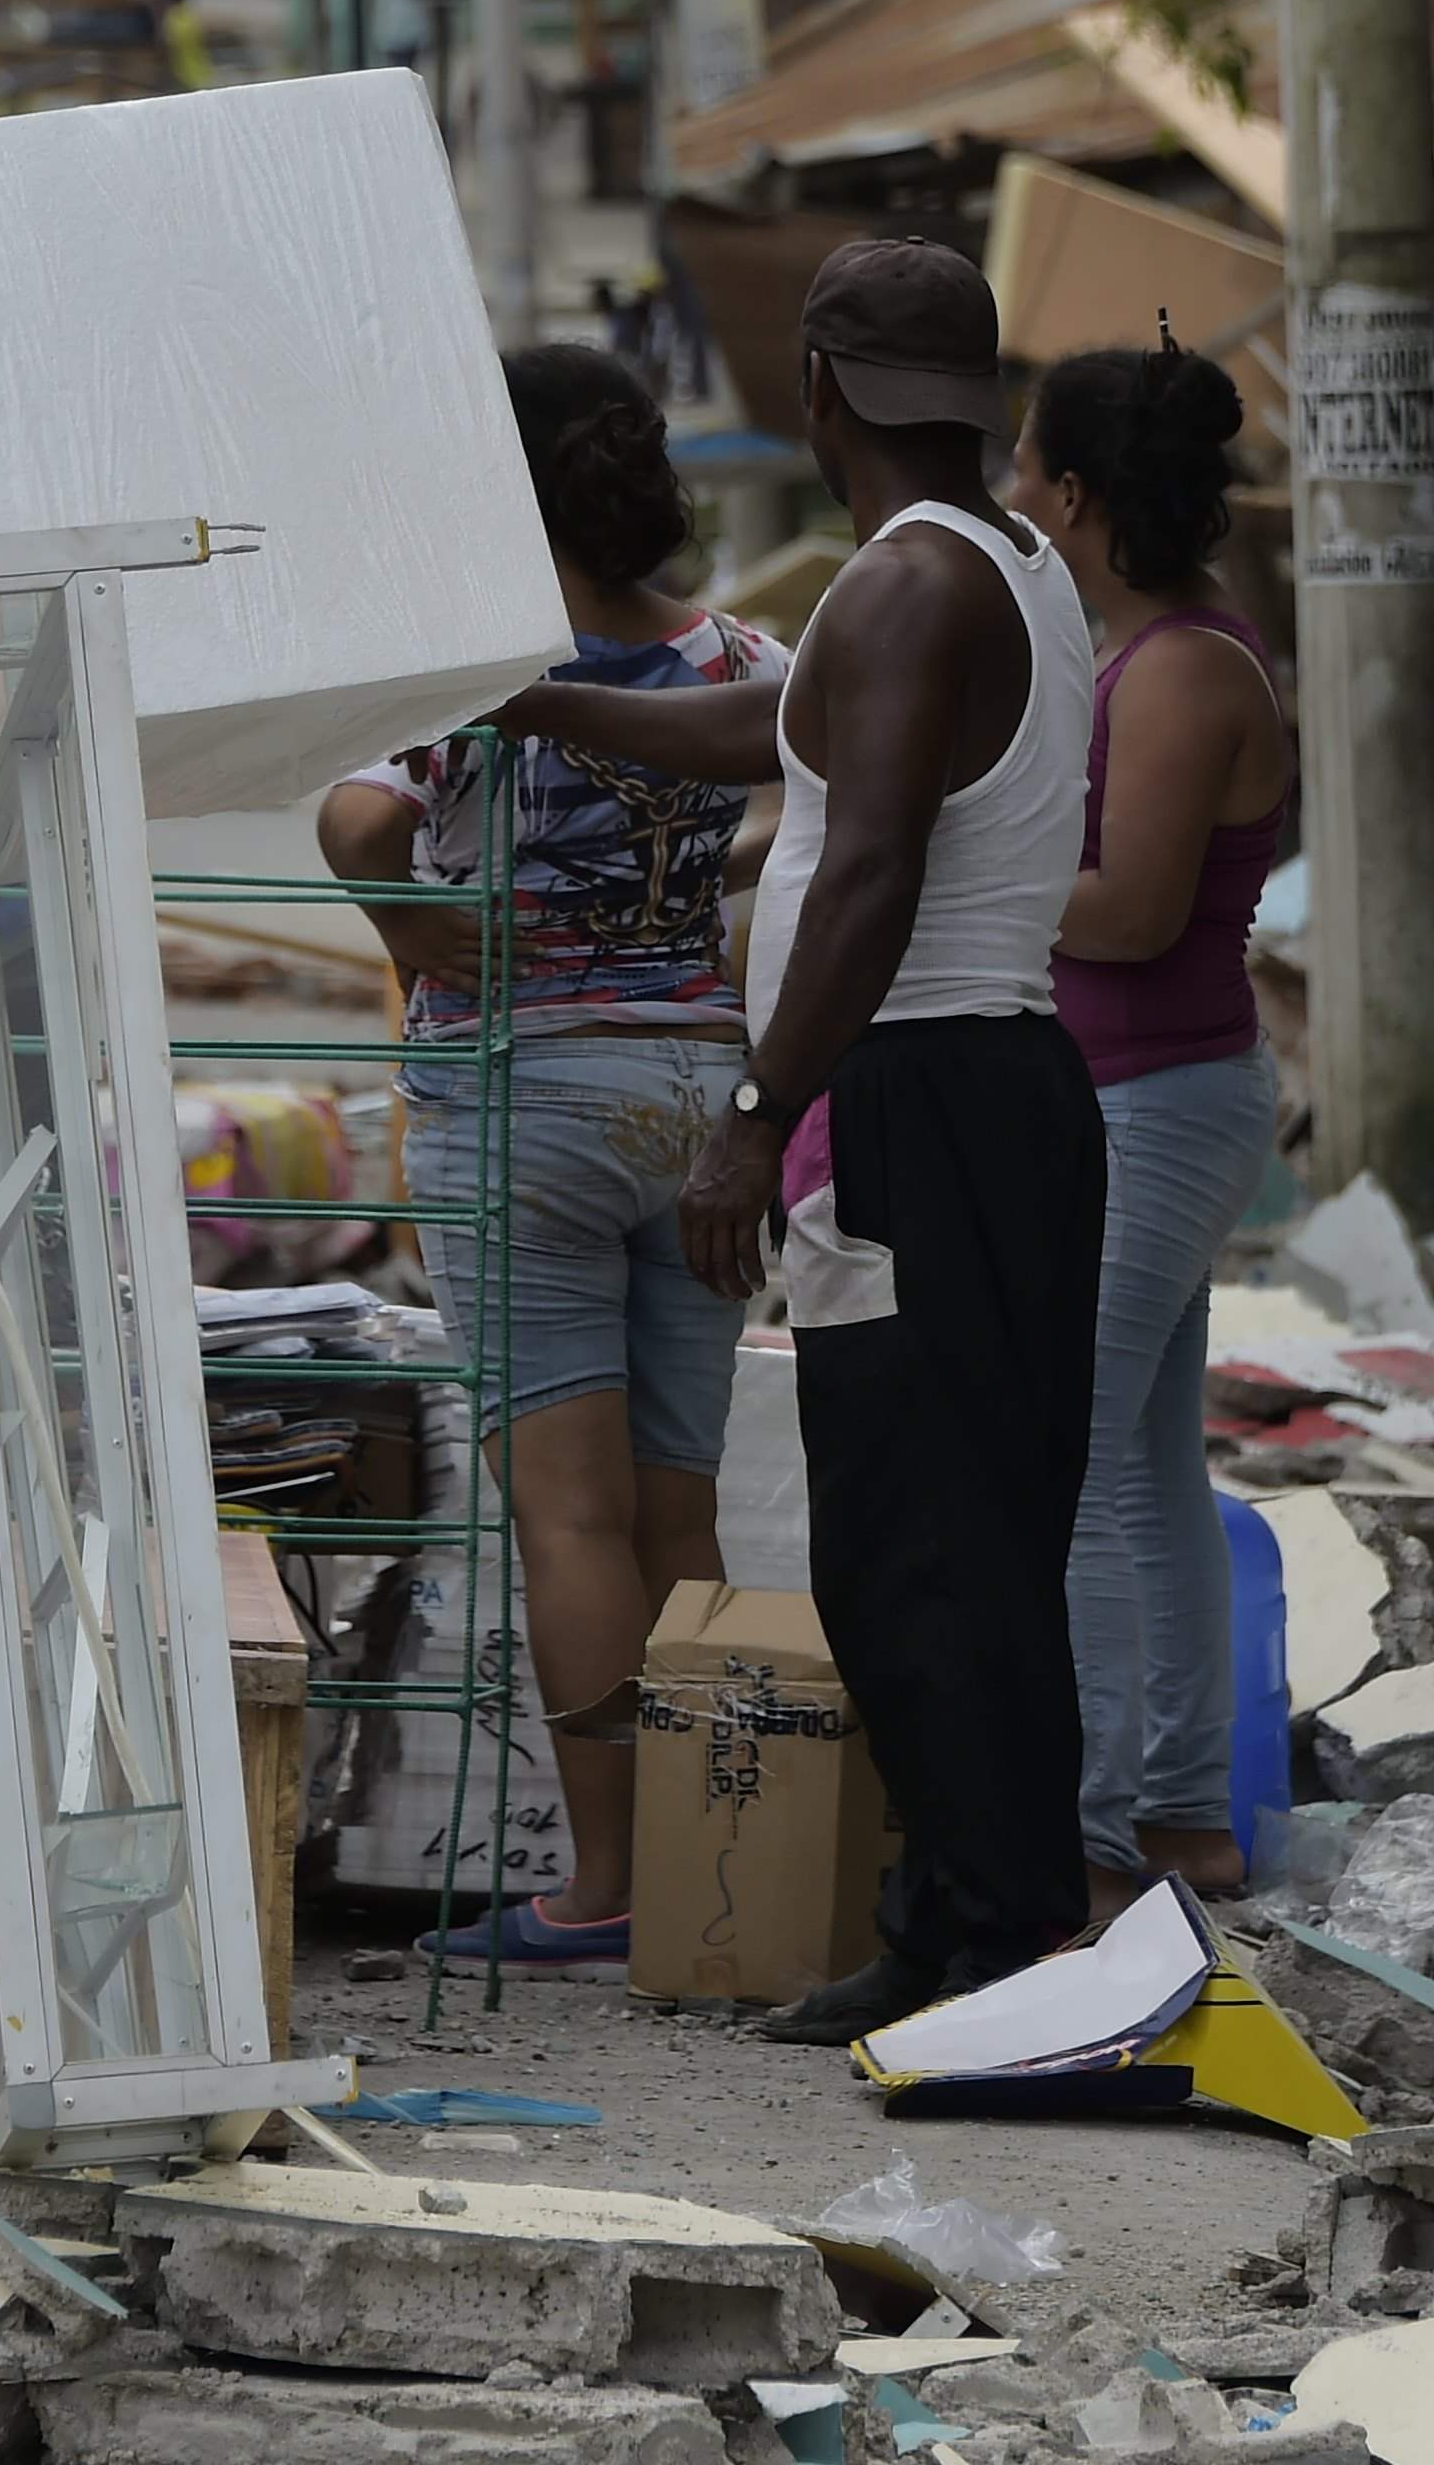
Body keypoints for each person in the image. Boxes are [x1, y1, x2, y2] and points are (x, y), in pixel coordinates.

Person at [502, 238, 1104, 2045]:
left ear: (822, 391)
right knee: (930, 1534)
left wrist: (756, 1118)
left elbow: (864, 868)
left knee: (928, 1546)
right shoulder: (992, 564)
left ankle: (993, 1945)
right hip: (982, 1094)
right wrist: (528, 701)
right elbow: (752, 737)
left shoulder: (908, 589)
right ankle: (947, 1918)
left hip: (926, 1099)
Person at [316, 346, 781, 1973]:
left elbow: (359, 822)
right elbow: (805, 792)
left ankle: (602, 1889)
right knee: (675, 1513)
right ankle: (726, 1873)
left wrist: (417, 934)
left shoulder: (475, 669)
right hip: (695, 1105)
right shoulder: (732, 652)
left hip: (524, 1106)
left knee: (566, 1520)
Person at [1011, 340, 1293, 1919]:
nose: (1010, 503)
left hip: (1159, 1102)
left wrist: (949, 879)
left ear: (1078, 495)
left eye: (1025, 474)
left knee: (1076, 1459)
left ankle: (1103, 1836)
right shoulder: (1152, 651)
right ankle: (1180, 1818)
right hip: (1146, 1096)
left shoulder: (1184, 667)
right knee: (1141, 1467)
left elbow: (1127, 919)